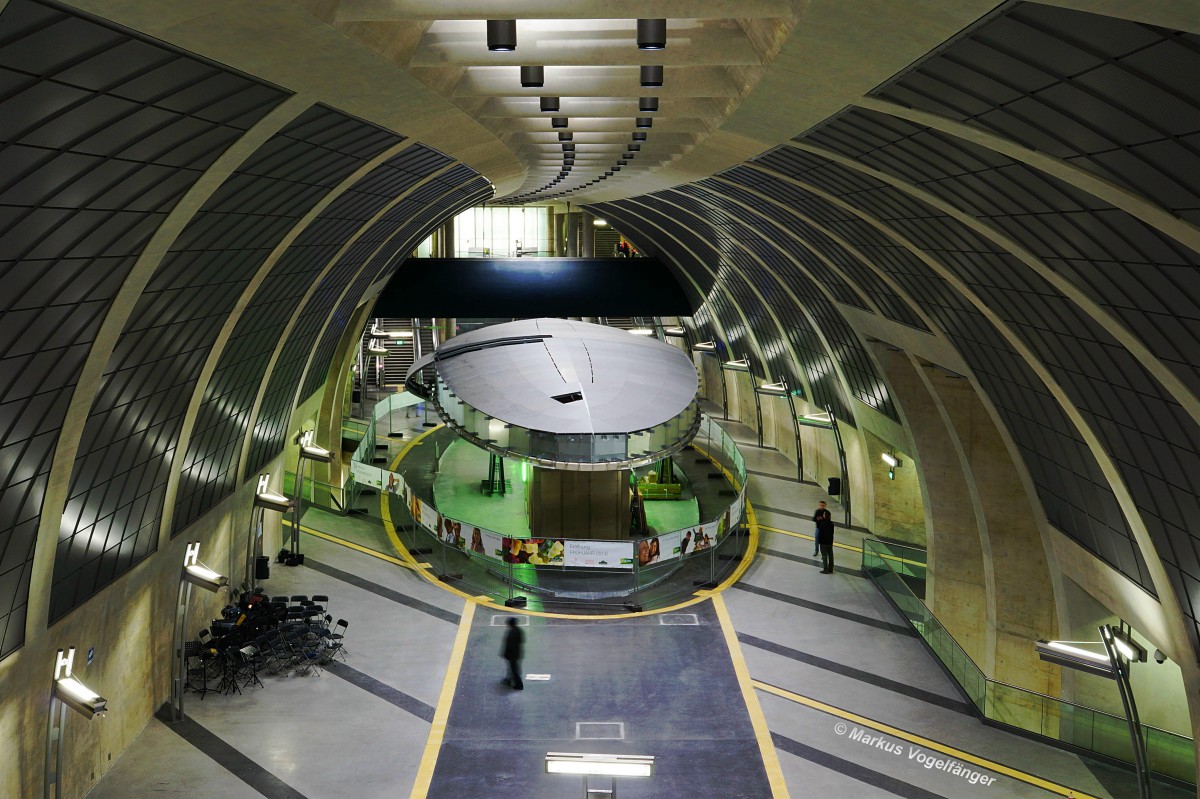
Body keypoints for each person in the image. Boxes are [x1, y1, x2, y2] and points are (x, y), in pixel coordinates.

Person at [502, 617, 523, 690]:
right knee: (512, 668)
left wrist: (506, 654)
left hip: (512, 655)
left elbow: (509, 645)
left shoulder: (512, 633)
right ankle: (509, 680)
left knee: (514, 669)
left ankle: (519, 685)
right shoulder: (518, 630)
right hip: (517, 653)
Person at [816, 508, 835, 574]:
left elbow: (820, 534)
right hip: (830, 542)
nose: (823, 515)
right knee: (830, 555)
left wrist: (819, 541)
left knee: (824, 556)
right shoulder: (831, 524)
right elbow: (832, 533)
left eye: (824, 514)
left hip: (823, 543)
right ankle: (831, 569)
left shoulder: (823, 524)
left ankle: (825, 569)